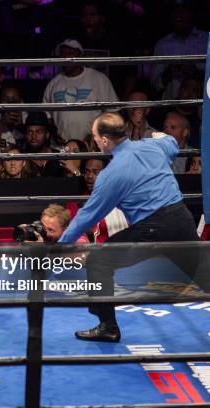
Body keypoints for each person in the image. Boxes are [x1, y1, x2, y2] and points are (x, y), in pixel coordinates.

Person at [58, 112, 201, 342]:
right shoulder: (153, 147)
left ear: (105, 140)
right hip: (182, 218)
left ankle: (107, 326)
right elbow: (172, 142)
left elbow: (87, 216)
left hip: (152, 228)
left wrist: (61, 244)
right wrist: (159, 135)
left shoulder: (111, 175)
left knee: (99, 260)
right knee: (202, 276)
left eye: (95, 136)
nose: (94, 141)